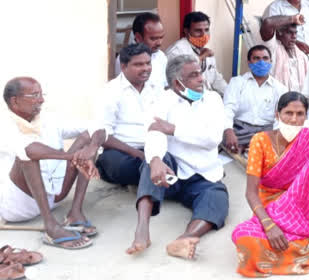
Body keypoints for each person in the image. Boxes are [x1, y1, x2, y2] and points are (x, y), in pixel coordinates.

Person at [231, 92, 309, 277]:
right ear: (277, 115)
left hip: (302, 205)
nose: (293, 119)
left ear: (306, 116)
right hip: (273, 208)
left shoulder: (308, 137)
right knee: (244, 237)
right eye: (288, 113)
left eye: (300, 114)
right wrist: (269, 225)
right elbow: (251, 193)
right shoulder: (260, 141)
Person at [127, 54, 230, 260]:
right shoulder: (163, 100)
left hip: (203, 175)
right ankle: (142, 229)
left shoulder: (213, 99)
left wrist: (173, 129)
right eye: (193, 76)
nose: (201, 79)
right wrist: (155, 159)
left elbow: (213, 137)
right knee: (150, 164)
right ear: (177, 83)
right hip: (171, 175)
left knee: (217, 198)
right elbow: (154, 132)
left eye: (199, 73)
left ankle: (185, 238)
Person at [1, 77, 106, 250]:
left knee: (87, 140)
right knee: (26, 155)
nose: (41, 100)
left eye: (42, 94)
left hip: (54, 197)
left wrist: (91, 149)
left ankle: (75, 213)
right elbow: (28, 150)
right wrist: (71, 157)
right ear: (15, 101)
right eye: (35, 95)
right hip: (19, 205)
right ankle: (51, 226)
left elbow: (97, 127)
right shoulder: (4, 124)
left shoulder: (48, 119)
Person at [97, 43, 164, 188]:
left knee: (178, 160)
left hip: (153, 150)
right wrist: (136, 153)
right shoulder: (110, 91)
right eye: (138, 64)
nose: (146, 68)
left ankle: (148, 176)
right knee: (123, 167)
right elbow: (103, 136)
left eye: (148, 63)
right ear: (123, 67)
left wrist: (153, 155)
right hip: (122, 152)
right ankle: (150, 176)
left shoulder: (156, 88)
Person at [222, 45, 288, 154]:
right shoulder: (237, 82)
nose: (261, 62)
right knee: (228, 143)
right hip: (240, 130)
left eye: (265, 58)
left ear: (271, 61)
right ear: (249, 62)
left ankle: (254, 149)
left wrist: (275, 140)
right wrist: (229, 131)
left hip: (267, 131)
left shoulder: (280, 89)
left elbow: (280, 118)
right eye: (256, 58)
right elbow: (228, 109)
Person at [166, 11, 228, 96]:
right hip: (185, 99)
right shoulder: (177, 51)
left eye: (206, 30)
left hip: (205, 99)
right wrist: (202, 57)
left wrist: (230, 95)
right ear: (186, 31)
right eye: (198, 31)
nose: (204, 35)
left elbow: (216, 79)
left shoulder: (206, 52)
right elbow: (175, 81)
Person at [113, 12, 168, 87]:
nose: (159, 43)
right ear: (138, 37)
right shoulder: (125, 58)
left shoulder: (161, 56)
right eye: (153, 38)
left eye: (161, 37)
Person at [258, 15, 309, 91]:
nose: (294, 36)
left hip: (298, 100)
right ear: (279, 33)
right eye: (290, 33)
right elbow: (268, 23)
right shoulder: (272, 48)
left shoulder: (301, 55)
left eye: (295, 33)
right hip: (277, 99)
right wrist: (292, 19)